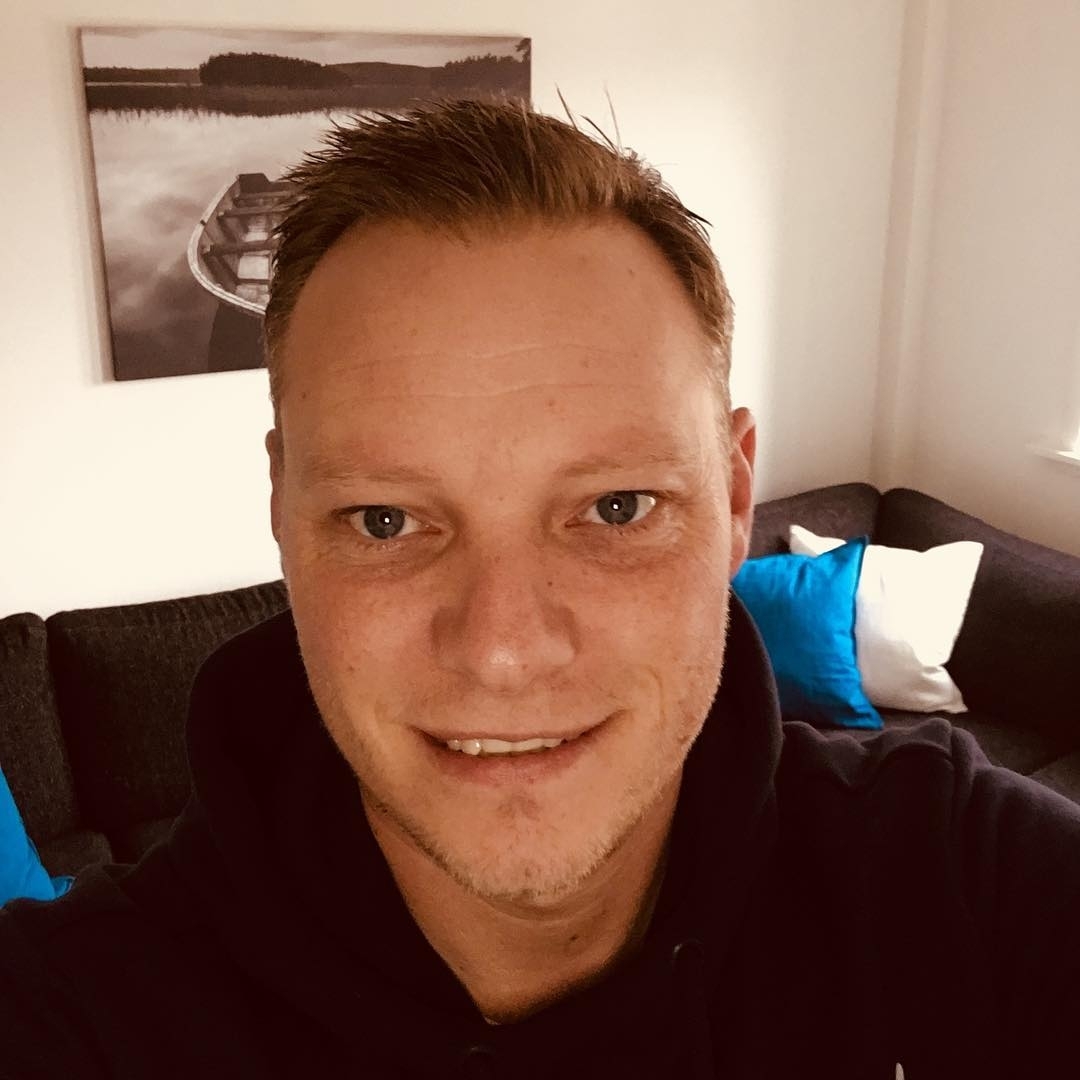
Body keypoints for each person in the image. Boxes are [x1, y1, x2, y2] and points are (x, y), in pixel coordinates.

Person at [1, 99, 1079, 1080]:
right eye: (386, 520)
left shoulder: (962, 879)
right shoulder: (70, 1015)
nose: (504, 650)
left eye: (616, 507)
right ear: (283, 510)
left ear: (734, 495)